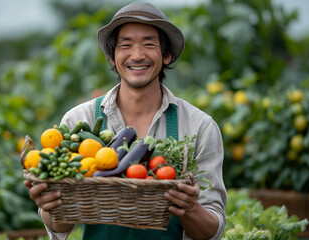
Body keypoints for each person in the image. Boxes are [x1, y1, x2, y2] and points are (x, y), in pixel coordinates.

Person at [24, 2, 227, 240]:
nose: (137, 55)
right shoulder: (79, 120)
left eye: (149, 44)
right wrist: (53, 205)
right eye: (126, 45)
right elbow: (60, 228)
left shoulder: (198, 127)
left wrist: (191, 209)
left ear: (167, 54)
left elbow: (212, 231)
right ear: (112, 56)